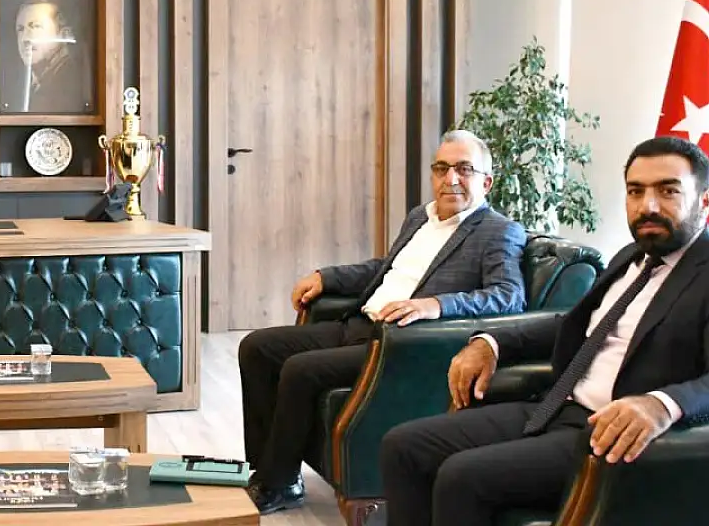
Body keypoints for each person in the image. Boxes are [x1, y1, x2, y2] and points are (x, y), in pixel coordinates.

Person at [379, 136, 709, 526]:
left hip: (609, 434)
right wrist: (492, 342)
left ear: (703, 201)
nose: (648, 205)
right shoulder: (631, 257)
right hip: (556, 408)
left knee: (461, 476)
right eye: (636, 191)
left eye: (668, 191)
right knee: (403, 446)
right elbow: (574, 325)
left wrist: (662, 404)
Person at [239, 130, 527, 515]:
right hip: (360, 325)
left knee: (300, 369)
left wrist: (435, 305)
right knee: (257, 347)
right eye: (442, 168)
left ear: (486, 182)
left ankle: (279, 483)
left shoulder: (498, 231)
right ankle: (265, 468)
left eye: (464, 169)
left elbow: (508, 295)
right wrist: (327, 277)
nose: (451, 178)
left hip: (399, 345)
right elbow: (385, 269)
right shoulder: (420, 217)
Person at [7, 0, 92, 113]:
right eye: (20, 29)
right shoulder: (26, 87)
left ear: (64, 33)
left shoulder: (72, 81)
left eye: (35, 26)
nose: (25, 38)